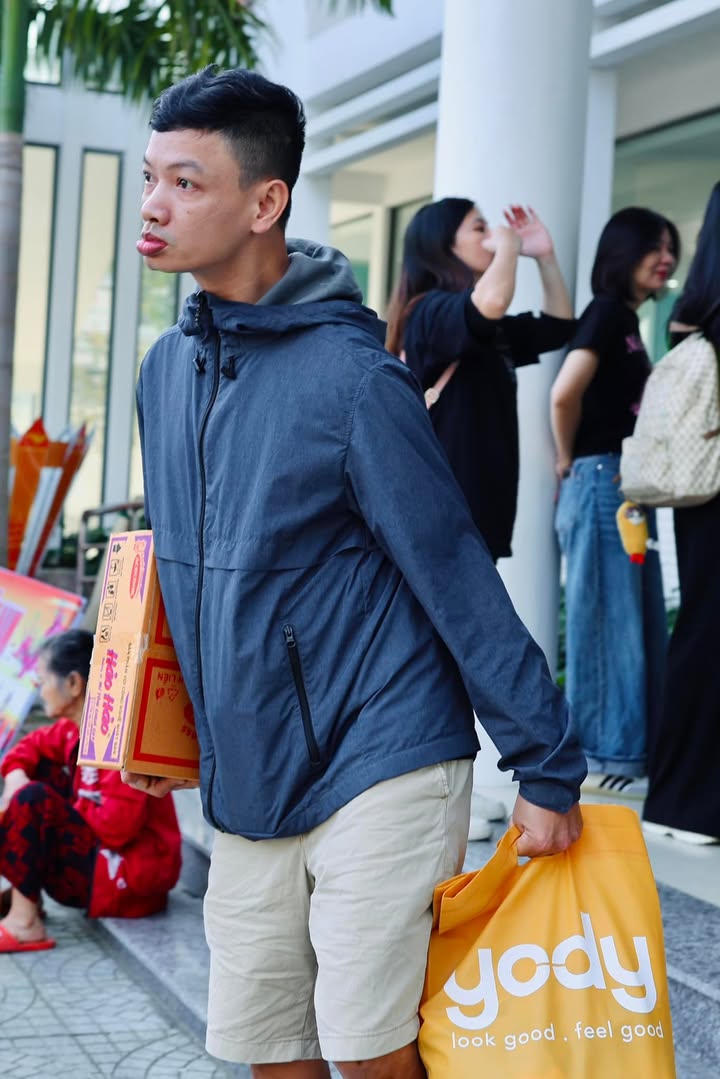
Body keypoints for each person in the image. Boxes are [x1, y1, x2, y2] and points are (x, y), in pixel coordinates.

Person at [125, 66, 585, 1079]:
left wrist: (545, 762)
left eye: (187, 182)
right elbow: (183, 562)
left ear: (266, 202)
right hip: (250, 774)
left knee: (371, 1050)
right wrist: (155, 718)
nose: (153, 204)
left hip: (383, 751)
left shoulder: (355, 379)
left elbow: (453, 569)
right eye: (150, 178)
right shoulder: (163, 371)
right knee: (268, 1050)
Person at [385, 198, 575, 839]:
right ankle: (435, 799)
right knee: (445, 657)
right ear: (443, 244)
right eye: (478, 228)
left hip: (472, 518)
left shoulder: (477, 326)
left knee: (455, 654)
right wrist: (512, 248)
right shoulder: (431, 312)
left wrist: (543, 256)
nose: (492, 235)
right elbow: (487, 303)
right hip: (444, 520)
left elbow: (558, 325)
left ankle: (450, 797)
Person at [550, 207, 679, 793]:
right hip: (601, 479)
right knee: (606, 621)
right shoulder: (605, 314)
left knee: (632, 621)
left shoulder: (626, 320)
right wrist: (566, 459)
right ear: (623, 253)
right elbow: (564, 393)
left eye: (671, 248)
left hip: (623, 487)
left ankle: (630, 756)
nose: (666, 258)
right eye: (655, 246)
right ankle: (605, 761)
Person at [0, 629, 182, 953]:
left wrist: (57, 813)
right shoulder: (74, 727)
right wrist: (14, 777)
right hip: (96, 852)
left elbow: (117, 828)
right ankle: (25, 894)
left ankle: (25, 924)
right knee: (33, 777)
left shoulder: (121, 735)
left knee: (33, 801)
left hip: (130, 876)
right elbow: (28, 749)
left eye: (43, 679)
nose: (39, 688)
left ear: (73, 683)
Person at [642, 182, 720, 844]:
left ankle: (677, 801)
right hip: (711, 492)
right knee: (706, 634)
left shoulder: (693, 311)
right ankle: (686, 806)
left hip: (700, 497)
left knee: (699, 631)